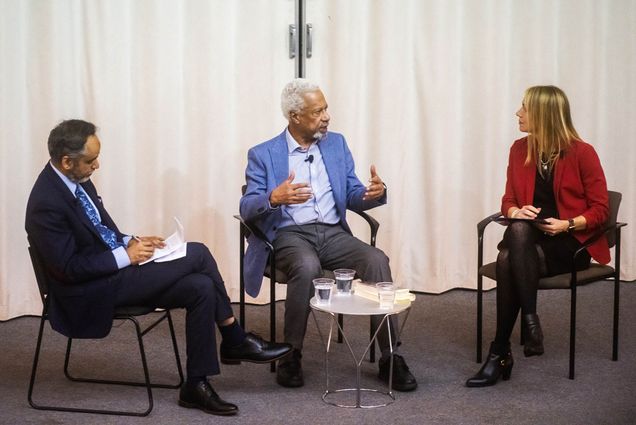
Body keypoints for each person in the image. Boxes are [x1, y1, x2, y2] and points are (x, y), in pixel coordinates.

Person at [25, 119, 292, 416]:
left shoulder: (77, 179)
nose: (97, 165)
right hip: (87, 291)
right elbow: (68, 269)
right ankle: (234, 339)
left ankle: (196, 384)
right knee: (199, 254)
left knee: (200, 287)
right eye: (91, 160)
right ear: (66, 162)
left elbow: (100, 229)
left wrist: (133, 241)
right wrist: (128, 257)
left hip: (111, 274)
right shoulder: (45, 203)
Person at [239, 79, 417, 391]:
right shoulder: (263, 154)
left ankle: (390, 354)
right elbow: (247, 205)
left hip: (333, 234)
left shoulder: (336, 144)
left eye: (326, 109)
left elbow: (351, 193)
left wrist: (374, 193)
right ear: (295, 116)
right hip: (290, 234)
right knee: (306, 267)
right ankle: (291, 353)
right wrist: (274, 198)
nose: (326, 116)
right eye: (317, 111)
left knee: (376, 259)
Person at [466, 86, 610, 387]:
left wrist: (568, 224)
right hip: (529, 239)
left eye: (524, 108)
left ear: (544, 115)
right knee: (517, 230)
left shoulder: (583, 153)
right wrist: (517, 210)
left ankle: (500, 352)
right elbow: (507, 201)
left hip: (571, 245)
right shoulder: (519, 149)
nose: (518, 113)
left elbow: (601, 210)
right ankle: (530, 322)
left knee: (506, 260)